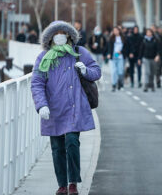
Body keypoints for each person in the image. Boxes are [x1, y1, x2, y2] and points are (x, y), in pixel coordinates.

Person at [30, 20, 101, 195]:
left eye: (63, 33)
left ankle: (73, 183)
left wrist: (85, 70)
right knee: (57, 149)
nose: (60, 36)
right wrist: (41, 105)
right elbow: (37, 83)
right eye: (57, 33)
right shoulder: (43, 57)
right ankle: (62, 184)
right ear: (51, 37)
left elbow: (96, 71)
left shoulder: (79, 53)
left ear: (69, 35)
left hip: (73, 107)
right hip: (53, 109)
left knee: (71, 142)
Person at [107, 26, 127, 91]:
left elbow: (126, 48)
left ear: (119, 31)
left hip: (120, 57)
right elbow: (109, 47)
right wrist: (109, 54)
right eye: (114, 30)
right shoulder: (111, 38)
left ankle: (120, 84)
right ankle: (114, 85)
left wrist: (121, 52)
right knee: (113, 71)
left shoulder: (123, 38)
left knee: (120, 71)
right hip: (113, 57)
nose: (115, 32)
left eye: (116, 30)